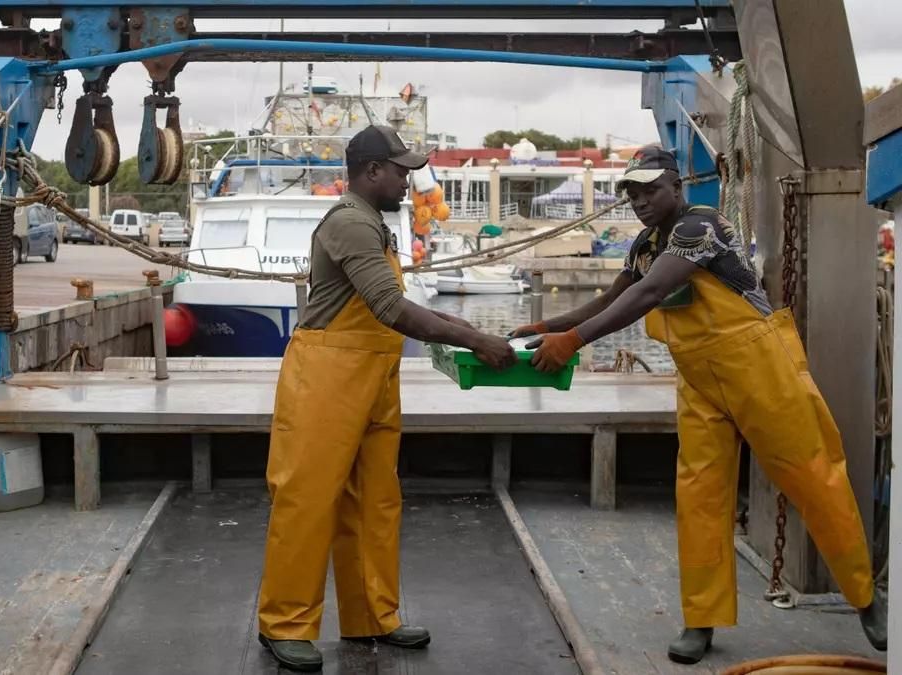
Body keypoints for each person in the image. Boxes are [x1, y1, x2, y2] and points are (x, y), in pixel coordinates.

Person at [512, 145, 887, 665]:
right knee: (700, 497)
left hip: (758, 366)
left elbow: (649, 296)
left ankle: (866, 598)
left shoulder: (699, 226)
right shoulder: (645, 245)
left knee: (814, 476)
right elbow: (616, 297)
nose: (640, 201)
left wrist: (573, 341)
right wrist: (549, 326)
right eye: (633, 193)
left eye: (650, 190)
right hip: (699, 380)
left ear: (676, 187)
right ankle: (701, 619)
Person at [257, 125, 517, 672]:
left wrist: (461, 324)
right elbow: (390, 308)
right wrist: (476, 340)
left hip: (372, 377)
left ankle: (374, 615)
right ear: (371, 171)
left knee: (375, 499)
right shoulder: (351, 221)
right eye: (400, 170)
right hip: (327, 377)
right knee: (306, 501)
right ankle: (284, 624)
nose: (408, 180)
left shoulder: (375, 222)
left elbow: (394, 299)